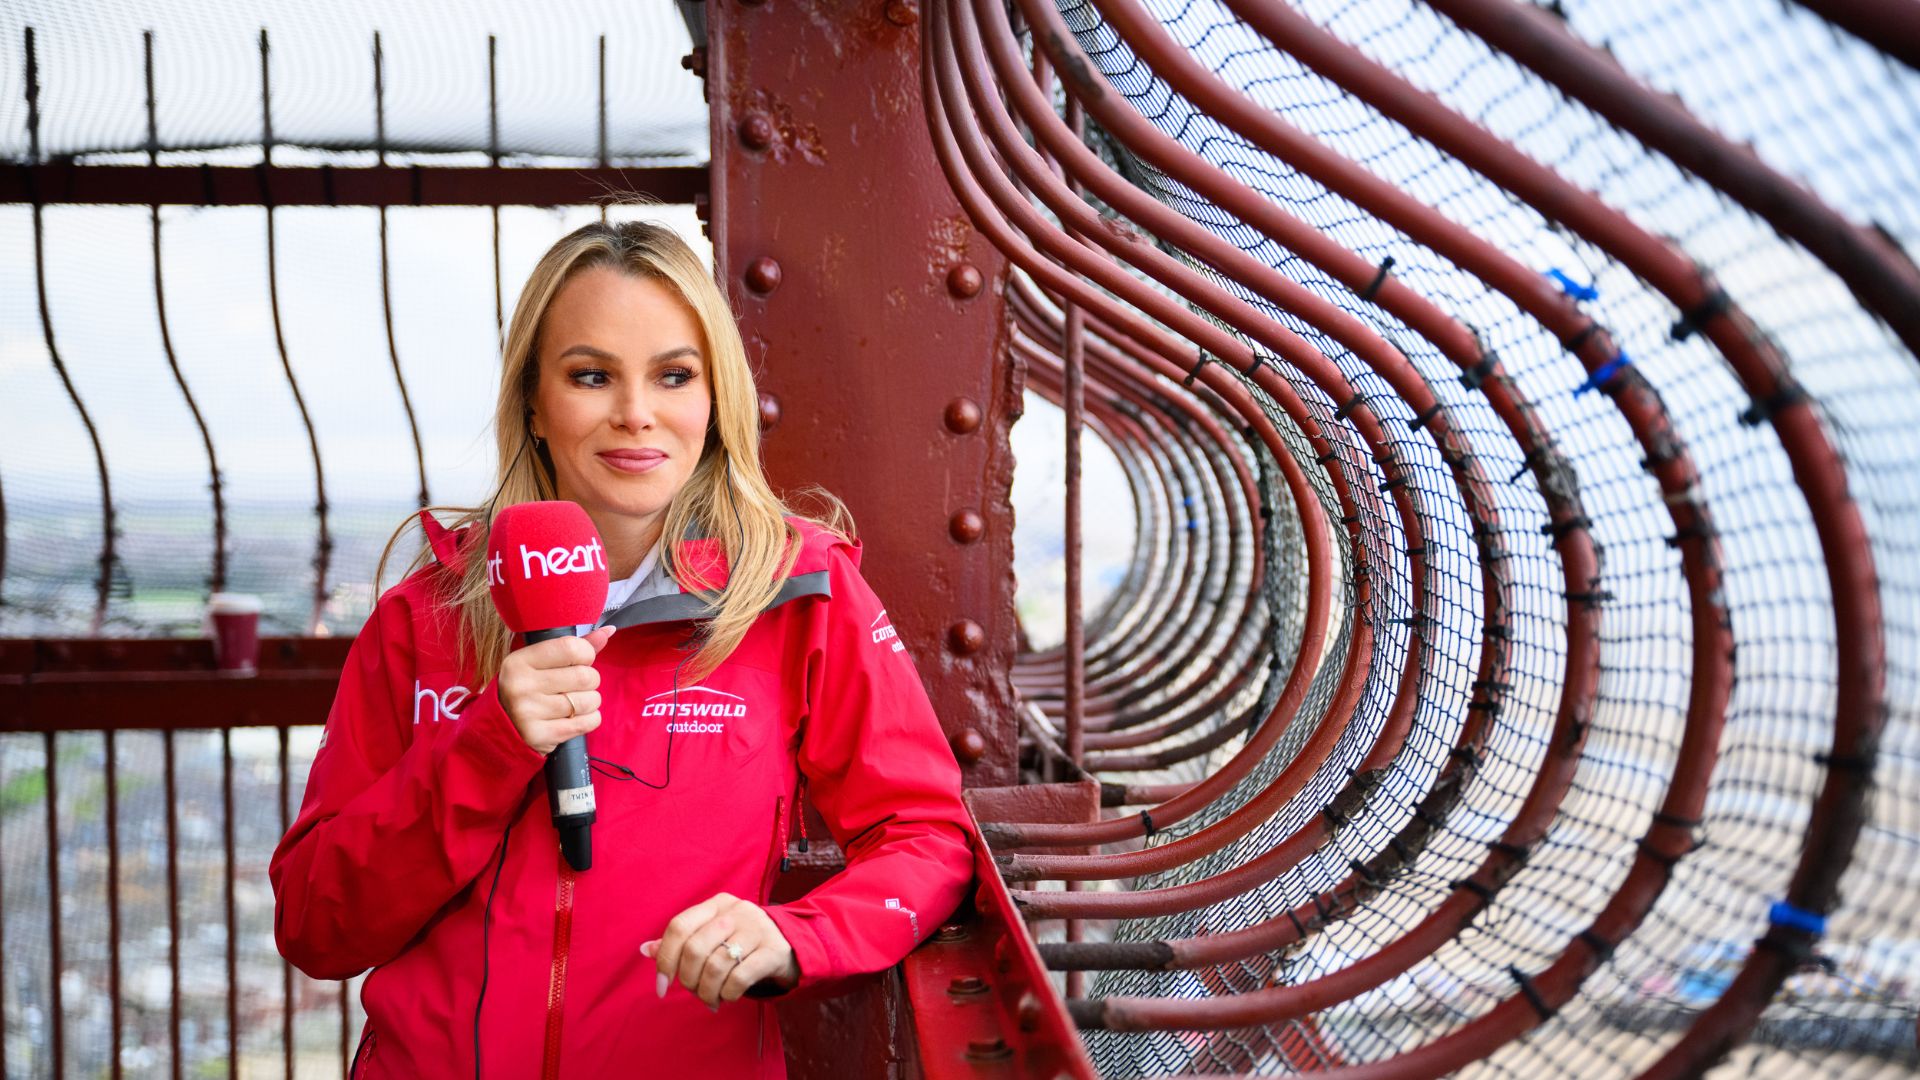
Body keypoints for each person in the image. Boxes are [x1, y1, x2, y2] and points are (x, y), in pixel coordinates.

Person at [269, 220, 977, 1079]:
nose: (635, 413)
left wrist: (798, 936)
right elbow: (316, 924)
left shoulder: (797, 594)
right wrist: (491, 744)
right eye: (592, 375)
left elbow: (927, 838)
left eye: (674, 375)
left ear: (715, 399)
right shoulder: (426, 616)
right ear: (534, 400)